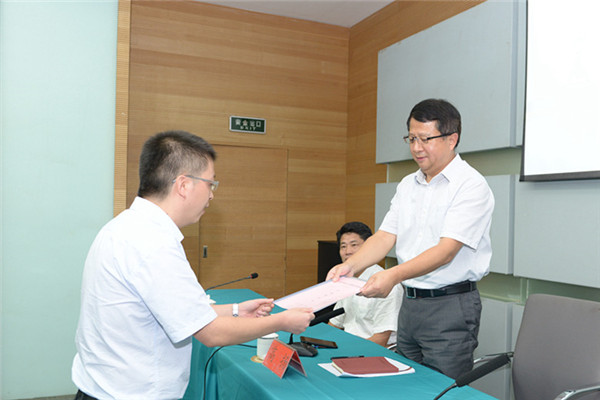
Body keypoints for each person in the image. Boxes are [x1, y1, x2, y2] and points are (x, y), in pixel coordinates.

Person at [71, 130, 314, 400]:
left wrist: (235, 310)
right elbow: (211, 333)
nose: (211, 195)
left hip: (101, 388)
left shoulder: (123, 226)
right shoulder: (153, 243)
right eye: (210, 184)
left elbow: (175, 311)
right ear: (184, 185)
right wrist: (282, 321)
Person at [327, 99, 494, 379]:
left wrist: (392, 276)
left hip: (449, 305)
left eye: (426, 139)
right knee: (404, 383)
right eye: (412, 138)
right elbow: (384, 236)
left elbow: (446, 251)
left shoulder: (470, 185)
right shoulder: (408, 184)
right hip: (410, 303)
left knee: (441, 389)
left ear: (452, 139)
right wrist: (351, 266)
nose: (416, 148)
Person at [328, 222, 402, 347]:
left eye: (354, 245)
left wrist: (347, 350)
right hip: (348, 345)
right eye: (343, 246)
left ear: (368, 247)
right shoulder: (346, 280)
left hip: (375, 351)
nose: (347, 251)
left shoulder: (386, 285)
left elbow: (381, 340)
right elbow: (335, 324)